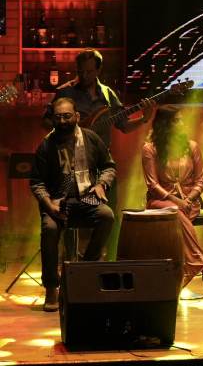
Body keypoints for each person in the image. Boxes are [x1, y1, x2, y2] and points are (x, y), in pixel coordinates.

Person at [30, 97, 116, 312]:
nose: (62, 121)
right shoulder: (46, 145)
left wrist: (101, 185)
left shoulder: (90, 138)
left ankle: (83, 272)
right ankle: (52, 286)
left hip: (85, 199)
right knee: (49, 229)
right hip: (57, 203)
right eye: (58, 117)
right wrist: (48, 204)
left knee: (107, 216)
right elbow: (37, 182)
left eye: (67, 116)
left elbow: (109, 167)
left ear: (77, 117)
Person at [141, 104, 203, 288]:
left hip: (190, 201)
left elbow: (200, 181)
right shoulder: (150, 149)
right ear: (164, 124)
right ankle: (201, 263)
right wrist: (176, 200)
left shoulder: (192, 147)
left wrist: (188, 199)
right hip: (160, 201)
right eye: (176, 120)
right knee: (174, 211)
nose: (181, 123)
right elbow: (152, 184)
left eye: (181, 119)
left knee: (178, 216)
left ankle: (185, 272)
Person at [42, 49, 154, 150]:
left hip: (101, 158)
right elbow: (46, 121)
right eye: (80, 72)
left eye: (89, 72)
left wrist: (144, 119)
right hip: (72, 157)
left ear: (98, 70)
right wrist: (67, 132)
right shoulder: (65, 92)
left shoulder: (108, 94)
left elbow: (124, 126)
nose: (84, 76)